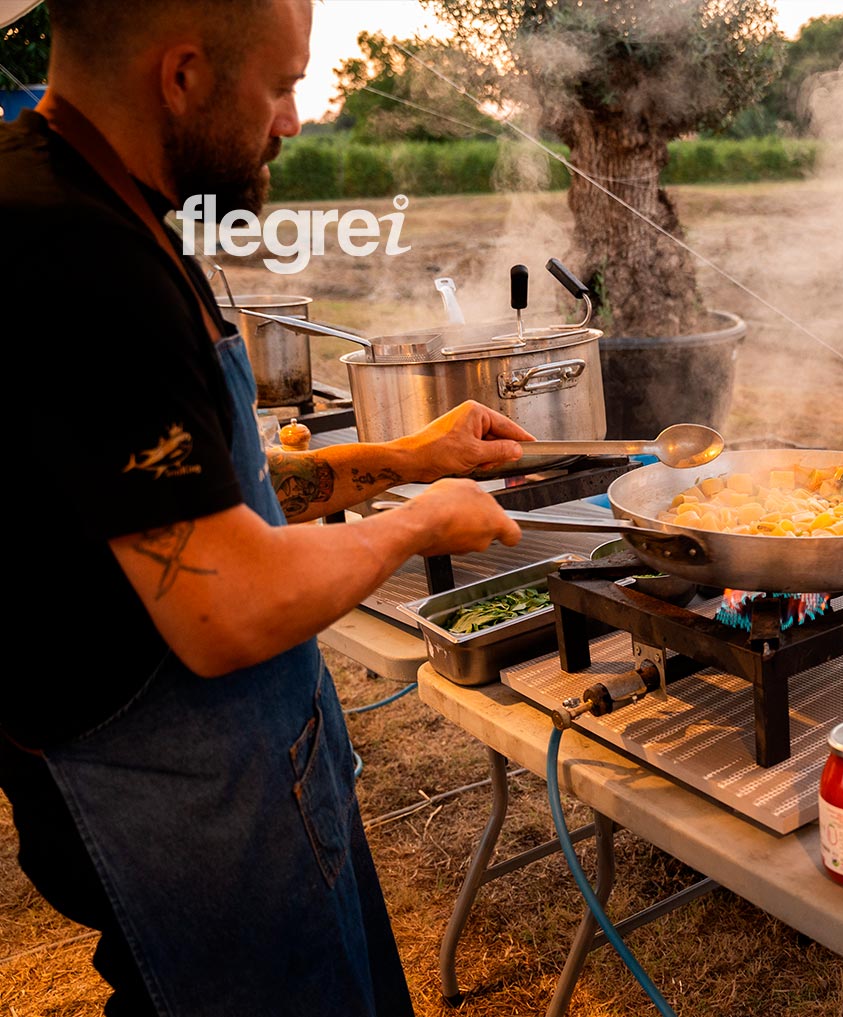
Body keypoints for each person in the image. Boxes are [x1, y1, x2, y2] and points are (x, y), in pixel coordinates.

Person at [0, 1, 528, 1013]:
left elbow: (188, 495)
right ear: (183, 74)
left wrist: (403, 457)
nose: (292, 121)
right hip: (174, 797)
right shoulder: (70, 252)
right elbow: (223, 604)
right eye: (283, 86)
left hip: (230, 774)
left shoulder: (94, 202)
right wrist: (418, 520)